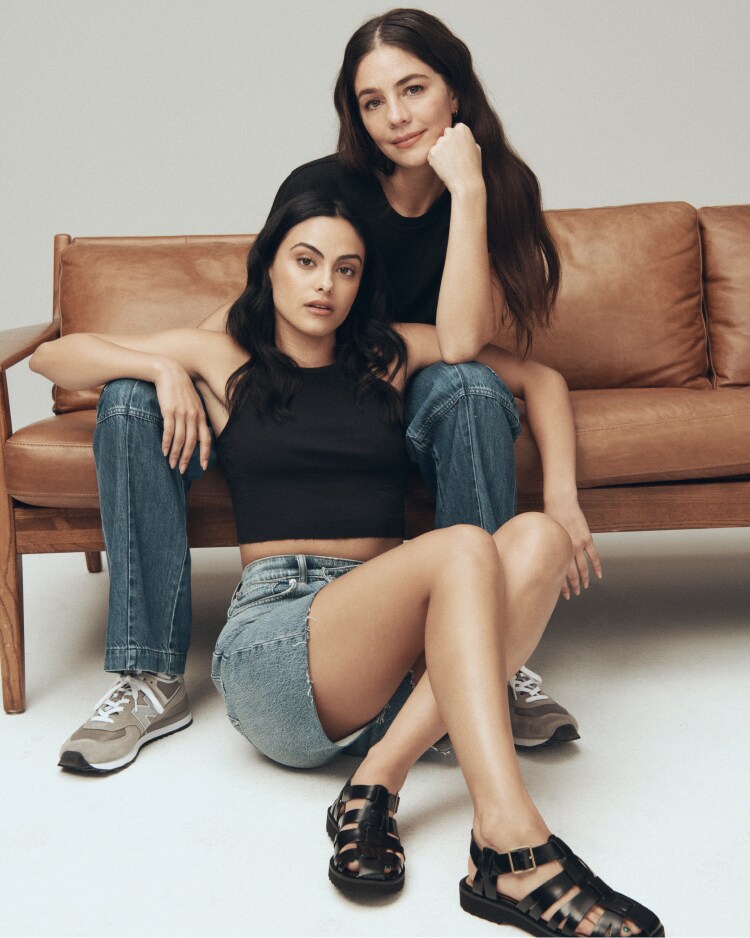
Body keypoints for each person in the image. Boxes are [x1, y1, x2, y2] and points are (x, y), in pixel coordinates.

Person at [31, 194, 662, 937]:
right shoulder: (225, 357)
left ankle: (374, 784)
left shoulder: (388, 354)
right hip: (279, 652)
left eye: (345, 269)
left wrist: (563, 501)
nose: (324, 284)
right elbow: (55, 357)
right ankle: (510, 841)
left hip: (396, 661)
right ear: (268, 268)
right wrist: (158, 369)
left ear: (362, 282)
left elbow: (541, 379)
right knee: (465, 546)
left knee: (538, 543)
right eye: (305, 262)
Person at [54, 6, 602, 773]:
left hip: (406, 387)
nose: (395, 117)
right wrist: (178, 362)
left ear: (456, 94)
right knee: (129, 395)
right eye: (372, 101)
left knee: (471, 386)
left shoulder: (488, 198)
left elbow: (460, 345)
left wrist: (468, 191)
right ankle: (149, 674)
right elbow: (227, 311)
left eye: (412, 89)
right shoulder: (327, 190)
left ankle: (485, 667)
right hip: (300, 461)